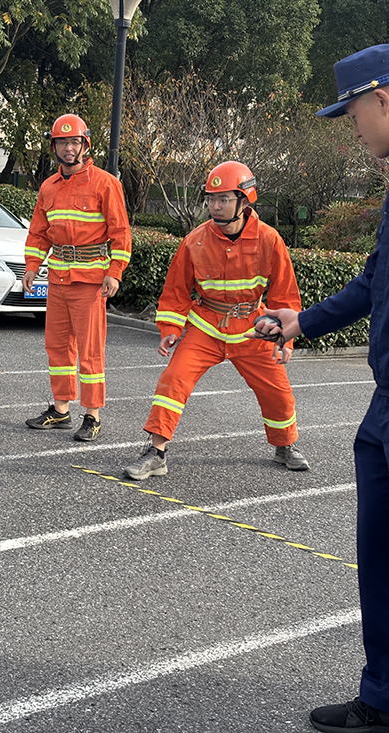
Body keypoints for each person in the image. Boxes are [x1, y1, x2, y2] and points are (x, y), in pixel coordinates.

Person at [251, 44, 389, 733]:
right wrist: (300, 322)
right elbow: (372, 282)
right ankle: (382, 697)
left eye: (353, 112)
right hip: (384, 406)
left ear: (383, 98)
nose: (351, 128)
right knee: (379, 562)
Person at [123, 160, 309, 480]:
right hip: (206, 327)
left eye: (224, 199)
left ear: (244, 200)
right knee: (173, 380)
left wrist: (285, 338)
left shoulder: (269, 239)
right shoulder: (195, 240)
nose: (215, 206)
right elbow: (176, 291)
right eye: (211, 198)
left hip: (253, 329)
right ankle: (156, 452)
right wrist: (170, 328)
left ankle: (284, 445)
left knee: (277, 391)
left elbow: (285, 295)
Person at [23, 113, 131, 441]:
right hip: (57, 278)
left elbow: (121, 233)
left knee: (90, 350)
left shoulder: (105, 183)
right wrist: (32, 266)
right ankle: (60, 410)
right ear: (53, 146)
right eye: (62, 142)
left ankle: (92, 415)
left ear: (85, 145)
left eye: (74, 142)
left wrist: (115, 273)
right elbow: (39, 233)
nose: (68, 148)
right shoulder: (48, 187)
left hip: (90, 280)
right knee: (57, 347)